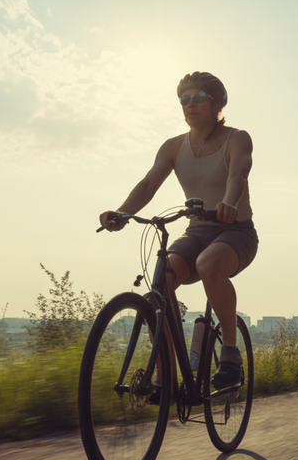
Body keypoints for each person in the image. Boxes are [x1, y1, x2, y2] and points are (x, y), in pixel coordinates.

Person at [99, 71, 258, 390]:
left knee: (209, 264)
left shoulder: (236, 137)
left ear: (217, 104)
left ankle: (229, 352)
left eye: (198, 97)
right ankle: (167, 374)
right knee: (162, 279)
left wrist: (229, 202)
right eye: (184, 99)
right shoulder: (173, 147)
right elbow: (148, 184)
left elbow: (237, 174)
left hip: (235, 232)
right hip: (195, 233)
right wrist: (123, 213)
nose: (190, 104)